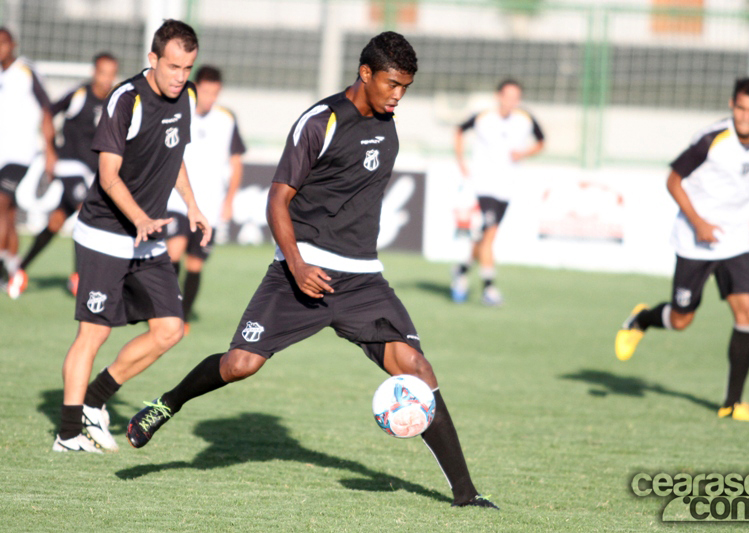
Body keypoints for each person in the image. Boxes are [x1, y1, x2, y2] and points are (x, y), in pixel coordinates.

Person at [127, 32, 498, 509]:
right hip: (298, 274)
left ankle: (465, 494)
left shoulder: (389, 127)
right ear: (365, 74)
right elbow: (277, 198)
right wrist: (299, 265)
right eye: (391, 83)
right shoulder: (321, 122)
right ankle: (168, 402)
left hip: (362, 279)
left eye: (405, 86)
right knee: (241, 364)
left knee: (418, 369)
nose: (398, 95)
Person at [53, 20, 210, 453]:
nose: (181, 76)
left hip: (148, 238)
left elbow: (174, 155)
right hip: (105, 234)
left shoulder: (187, 97)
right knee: (94, 334)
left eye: (188, 68)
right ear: (153, 60)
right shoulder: (127, 99)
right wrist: (140, 218)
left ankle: (94, 402)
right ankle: (68, 435)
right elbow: (107, 176)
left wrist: (192, 205)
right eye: (173, 66)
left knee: (170, 329)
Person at [615, 78, 749, 422]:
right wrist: (700, 223)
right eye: (740, 108)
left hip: (734, 240)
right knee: (681, 320)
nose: (746, 117)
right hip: (695, 239)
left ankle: (731, 404)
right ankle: (641, 319)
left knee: (748, 313)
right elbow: (673, 180)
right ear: (732, 105)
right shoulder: (710, 140)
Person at [8, 52, 119, 299]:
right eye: (103, 73)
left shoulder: (114, 101)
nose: (106, 79)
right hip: (68, 166)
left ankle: (20, 270)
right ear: (94, 72)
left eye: (111, 74)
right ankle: (79, 277)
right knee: (87, 210)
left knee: (57, 222)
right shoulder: (79, 95)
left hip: (92, 172)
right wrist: (49, 151)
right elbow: (47, 112)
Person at [165, 65, 245, 334]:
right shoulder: (179, 110)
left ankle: (183, 317)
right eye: (206, 91)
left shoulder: (226, 119)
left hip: (210, 205)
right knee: (172, 252)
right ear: (195, 87)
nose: (210, 97)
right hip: (178, 200)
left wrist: (230, 200)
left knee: (195, 263)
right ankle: (168, 311)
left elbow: (236, 162)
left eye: (215, 93)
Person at [451, 79, 544, 305]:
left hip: (506, 187)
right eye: (508, 96)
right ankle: (489, 288)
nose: (511, 101)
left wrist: (524, 154)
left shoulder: (525, 119)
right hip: (484, 185)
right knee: (490, 234)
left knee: (485, 236)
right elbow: (459, 131)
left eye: (516, 97)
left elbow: (541, 141)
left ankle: (461, 271)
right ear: (498, 96)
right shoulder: (484, 118)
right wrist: (461, 160)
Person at [0, 27, 57, 288]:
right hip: (2, 154)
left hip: (21, 154)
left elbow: (47, 109)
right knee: (8, 214)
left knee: (0, 204)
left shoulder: (25, 71)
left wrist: (50, 150)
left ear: (13, 44)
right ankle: (14, 268)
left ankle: (2, 267)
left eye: (3, 43)